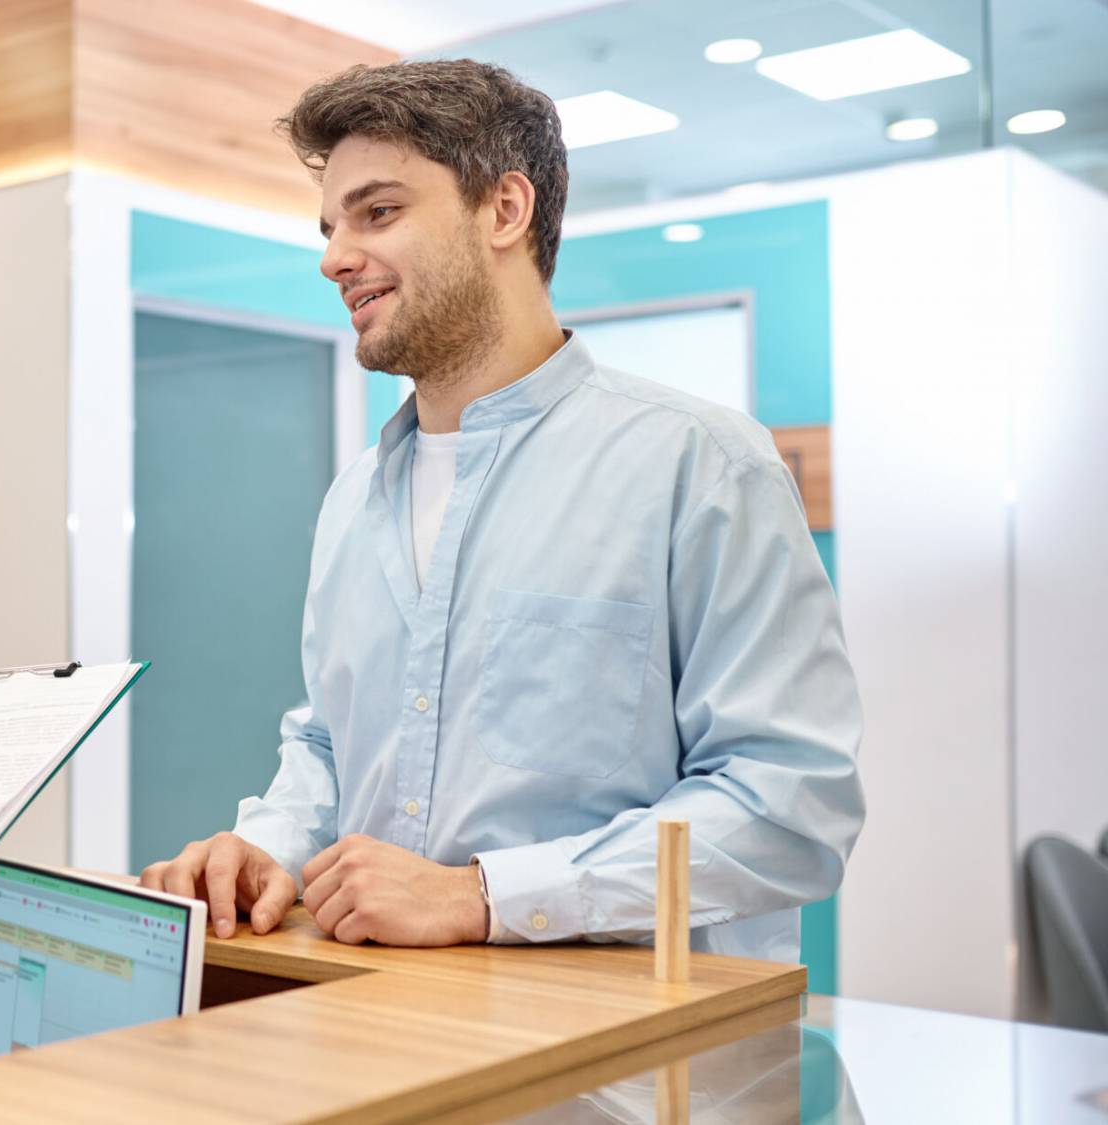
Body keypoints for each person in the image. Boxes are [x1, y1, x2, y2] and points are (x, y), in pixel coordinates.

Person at [141, 60, 864, 962]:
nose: (333, 258)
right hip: (392, 1046)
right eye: (330, 228)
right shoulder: (352, 500)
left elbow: (791, 807)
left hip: (629, 1083)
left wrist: (485, 895)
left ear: (505, 211)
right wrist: (269, 847)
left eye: (379, 212)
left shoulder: (702, 466)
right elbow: (327, 744)